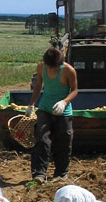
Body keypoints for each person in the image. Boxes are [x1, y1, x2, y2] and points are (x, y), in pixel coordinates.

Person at [25, 46, 78, 183]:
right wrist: (31, 104)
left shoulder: (68, 70)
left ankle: (61, 173)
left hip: (63, 111)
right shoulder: (41, 67)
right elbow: (38, 86)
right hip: (45, 108)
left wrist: (64, 102)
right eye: (50, 67)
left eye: (55, 67)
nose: (52, 69)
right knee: (42, 139)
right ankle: (39, 174)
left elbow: (75, 90)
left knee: (63, 141)